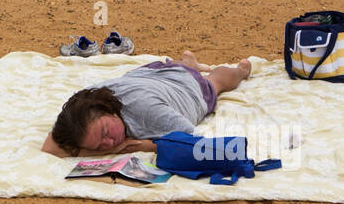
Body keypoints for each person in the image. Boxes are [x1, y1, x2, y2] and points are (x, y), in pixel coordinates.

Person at [42, 51, 253, 157]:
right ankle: (188, 62)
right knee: (178, 68)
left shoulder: (149, 113)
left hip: (189, 87)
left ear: (110, 111)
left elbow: (191, 140)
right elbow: (50, 147)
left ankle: (240, 71)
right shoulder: (85, 105)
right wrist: (107, 151)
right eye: (99, 144)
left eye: (106, 131)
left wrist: (147, 146)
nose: (109, 141)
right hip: (150, 72)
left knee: (217, 80)